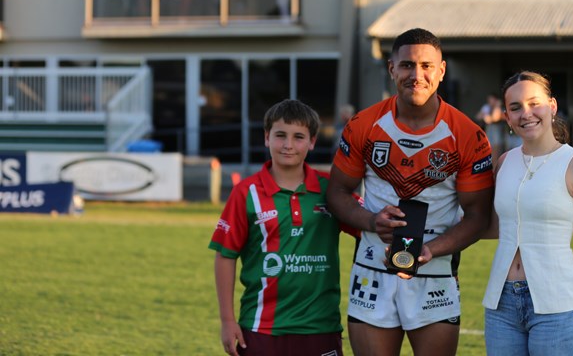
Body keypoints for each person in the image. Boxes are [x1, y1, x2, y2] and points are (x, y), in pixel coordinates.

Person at [326, 27, 494, 356]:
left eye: (426, 66)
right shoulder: (364, 125)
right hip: (373, 268)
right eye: (406, 66)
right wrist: (372, 221)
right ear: (392, 69)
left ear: (442, 70)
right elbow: (337, 193)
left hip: (435, 272)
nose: (416, 75)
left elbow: (477, 216)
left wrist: (432, 249)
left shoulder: (468, 135)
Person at [483, 71, 573, 356]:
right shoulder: (505, 162)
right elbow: (495, 226)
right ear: (506, 117)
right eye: (515, 107)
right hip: (501, 305)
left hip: (558, 307)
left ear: (552, 106)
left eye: (535, 103)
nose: (526, 113)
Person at [209, 99, 355, 356]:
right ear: (267, 138)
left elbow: (368, 224)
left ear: (312, 141)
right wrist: (227, 320)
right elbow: (225, 255)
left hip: (320, 326)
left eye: (298, 137)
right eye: (280, 135)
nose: (288, 145)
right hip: (261, 328)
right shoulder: (247, 192)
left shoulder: (330, 188)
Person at [475, 92, 505, 162]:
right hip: (489, 132)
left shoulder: (500, 108)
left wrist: (497, 106)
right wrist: (485, 116)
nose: (490, 101)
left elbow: (495, 117)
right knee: (489, 152)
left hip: (498, 132)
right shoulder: (486, 107)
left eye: (491, 99)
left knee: (496, 153)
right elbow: (478, 116)